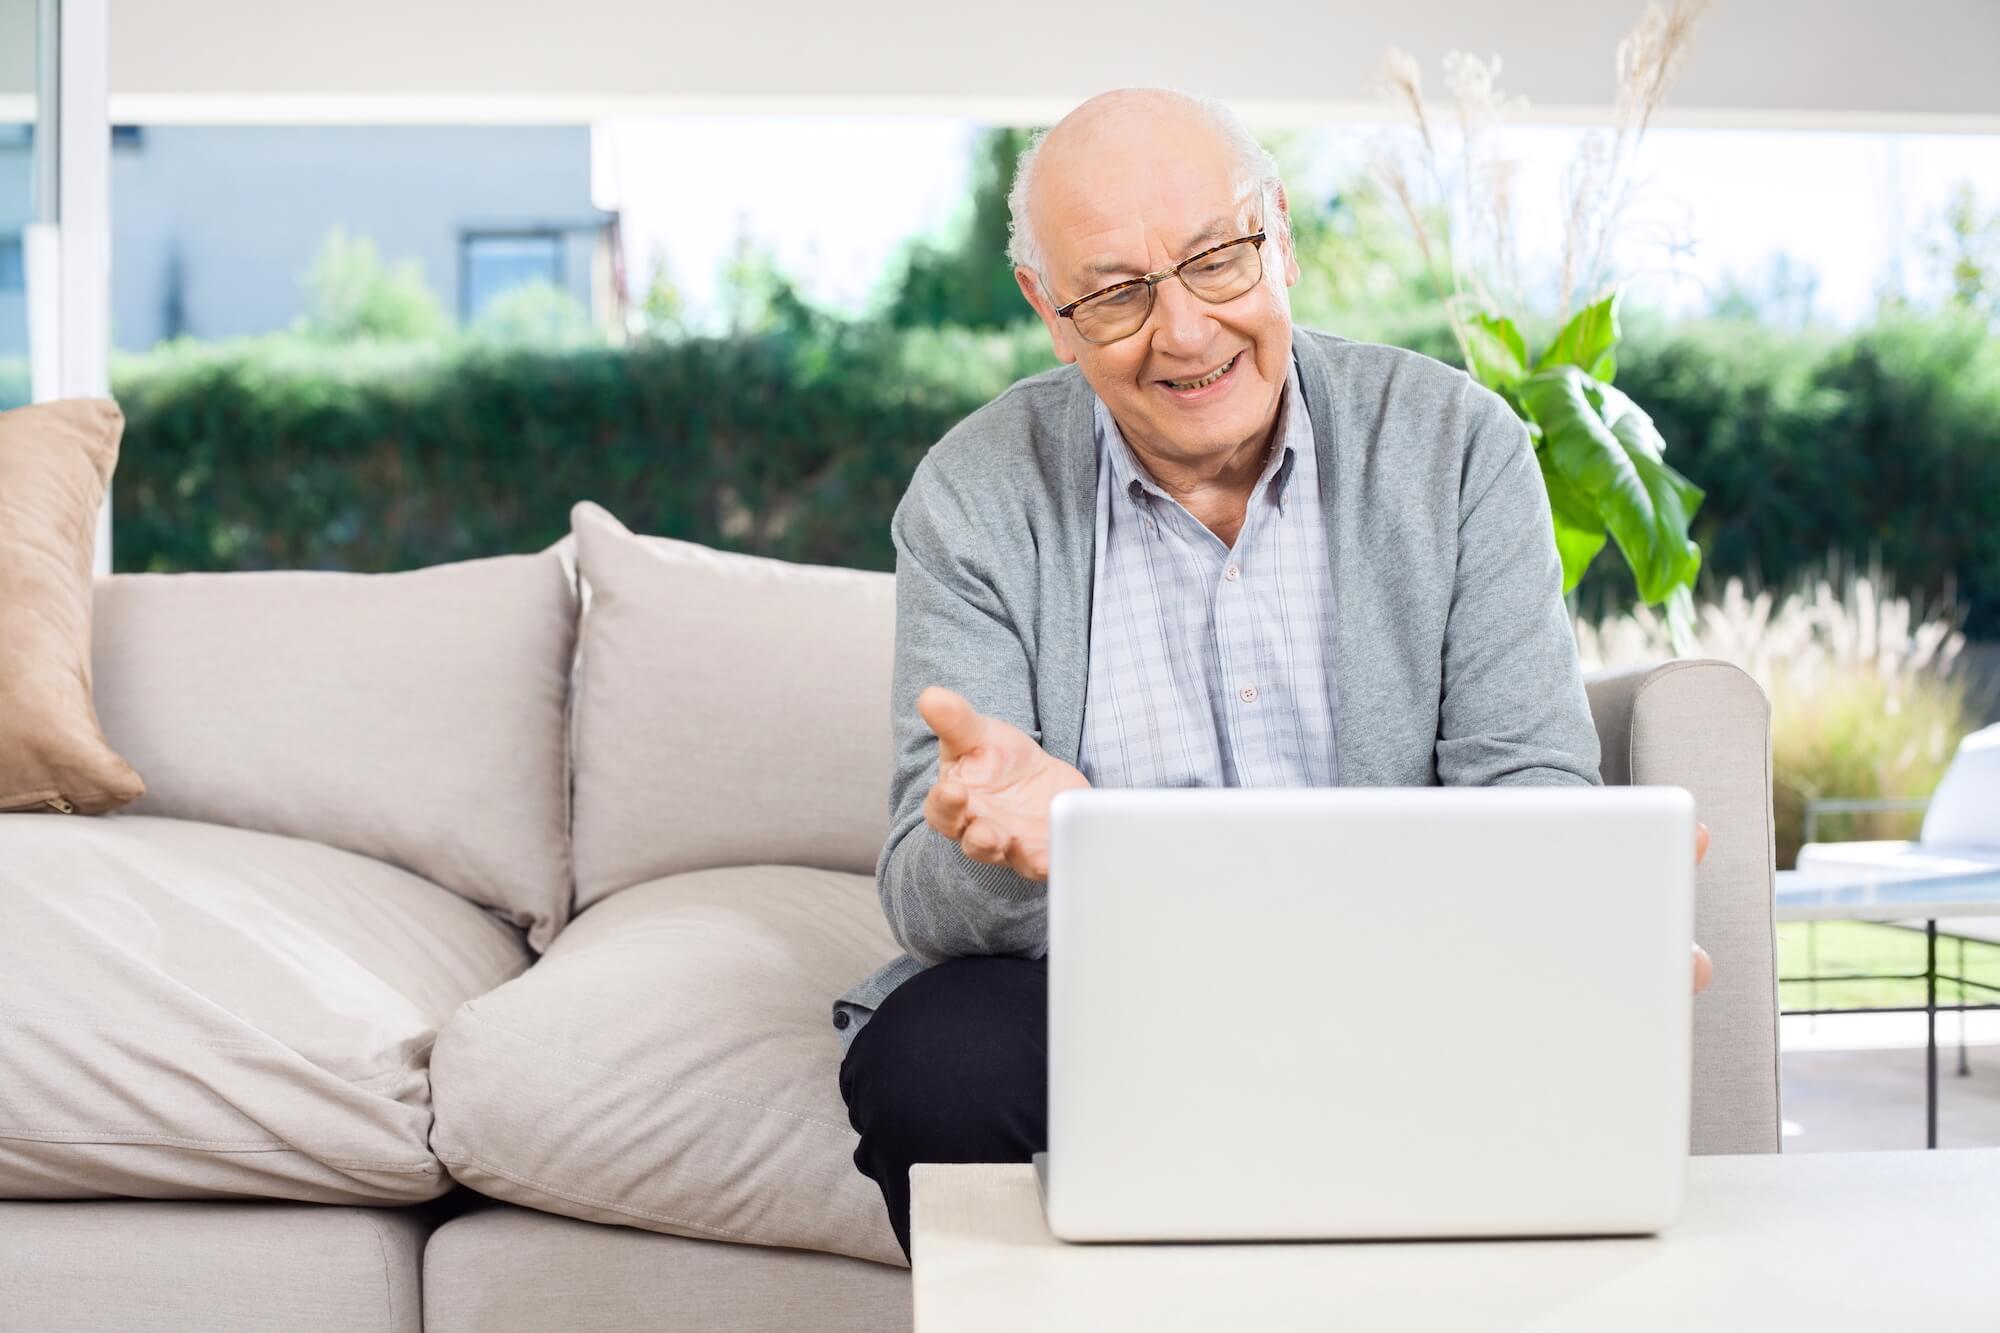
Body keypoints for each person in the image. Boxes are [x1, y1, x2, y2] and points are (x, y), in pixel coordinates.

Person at [833, 88, 1713, 1259]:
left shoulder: (1453, 447)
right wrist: (1004, 846)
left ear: (1280, 237)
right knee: (933, 1058)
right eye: (1115, 294)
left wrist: (1580, 922)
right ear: (1050, 312)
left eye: (1216, 259)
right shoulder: (974, 496)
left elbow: (1529, 787)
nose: (1185, 332)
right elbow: (921, 890)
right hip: (1101, 997)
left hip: (1406, 981)